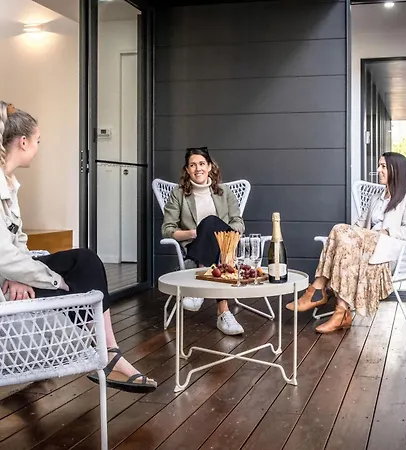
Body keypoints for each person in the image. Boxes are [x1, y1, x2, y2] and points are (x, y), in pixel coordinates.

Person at [0, 101, 156, 393]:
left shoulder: (10, 183)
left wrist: (20, 275)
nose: (38, 147)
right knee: (76, 282)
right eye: (37, 141)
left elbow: (17, 242)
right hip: (4, 280)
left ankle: (108, 352)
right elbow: (3, 255)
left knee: (86, 261)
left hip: (11, 273)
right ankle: (109, 356)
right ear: (23, 142)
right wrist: (52, 280)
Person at [286, 152, 406, 333]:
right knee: (341, 235)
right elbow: (358, 226)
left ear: (397, 169)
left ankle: (317, 291)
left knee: (340, 230)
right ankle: (340, 312)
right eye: (379, 166)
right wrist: (348, 238)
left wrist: (383, 232)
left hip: (386, 254)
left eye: (383, 166)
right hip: (363, 250)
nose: (378, 170)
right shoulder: (376, 197)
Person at [162, 146, 245, 335]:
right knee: (207, 227)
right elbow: (167, 229)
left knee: (211, 223)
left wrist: (224, 235)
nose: (198, 168)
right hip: (197, 246)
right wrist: (194, 233)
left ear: (209, 166)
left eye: (201, 163)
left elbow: (238, 222)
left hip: (225, 245)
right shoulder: (178, 194)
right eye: (192, 165)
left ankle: (198, 280)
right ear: (187, 169)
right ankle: (223, 313)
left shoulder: (224, 191)